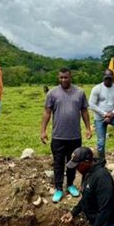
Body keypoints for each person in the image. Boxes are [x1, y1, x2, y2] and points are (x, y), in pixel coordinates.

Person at [40, 68, 92, 203]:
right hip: (58, 136)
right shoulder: (52, 93)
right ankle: (58, 188)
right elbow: (47, 112)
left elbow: (84, 111)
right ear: (59, 78)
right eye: (61, 78)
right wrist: (43, 130)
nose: (63, 80)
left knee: (72, 162)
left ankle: (70, 185)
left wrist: (88, 128)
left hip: (74, 136)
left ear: (71, 77)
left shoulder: (80, 93)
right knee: (58, 163)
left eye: (66, 77)